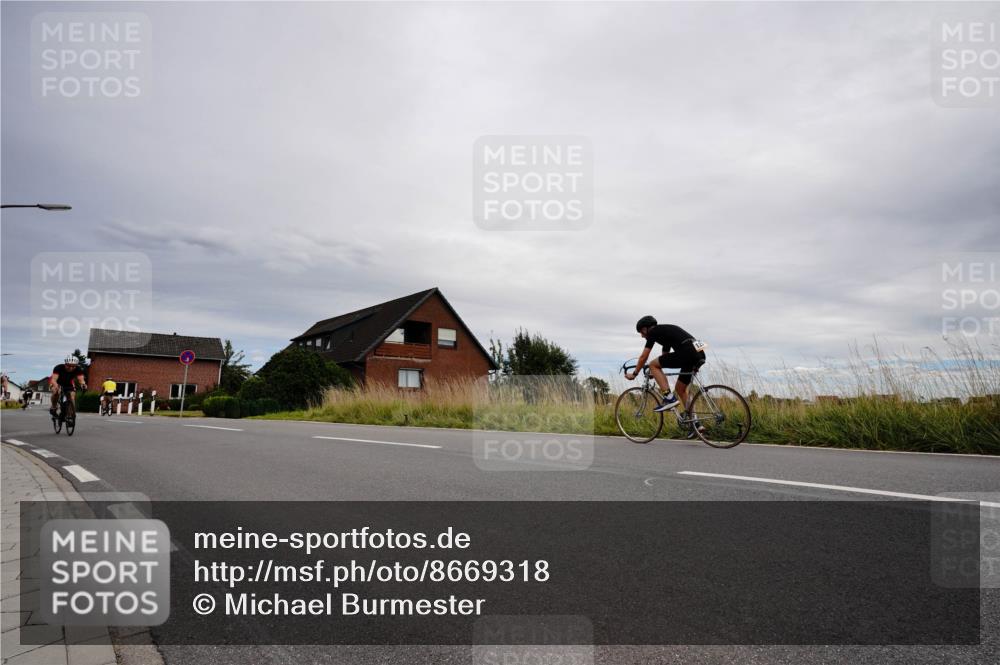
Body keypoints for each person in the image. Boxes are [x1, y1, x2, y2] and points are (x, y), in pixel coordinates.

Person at [625, 316, 706, 436]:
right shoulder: (666, 332)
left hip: (687, 352)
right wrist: (656, 373)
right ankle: (697, 424)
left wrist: (635, 373)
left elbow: (644, 356)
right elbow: (665, 356)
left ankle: (669, 397)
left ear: (647, 328)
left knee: (652, 364)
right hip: (700, 353)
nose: (642, 336)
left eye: (641, 332)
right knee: (680, 389)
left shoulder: (654, 332)